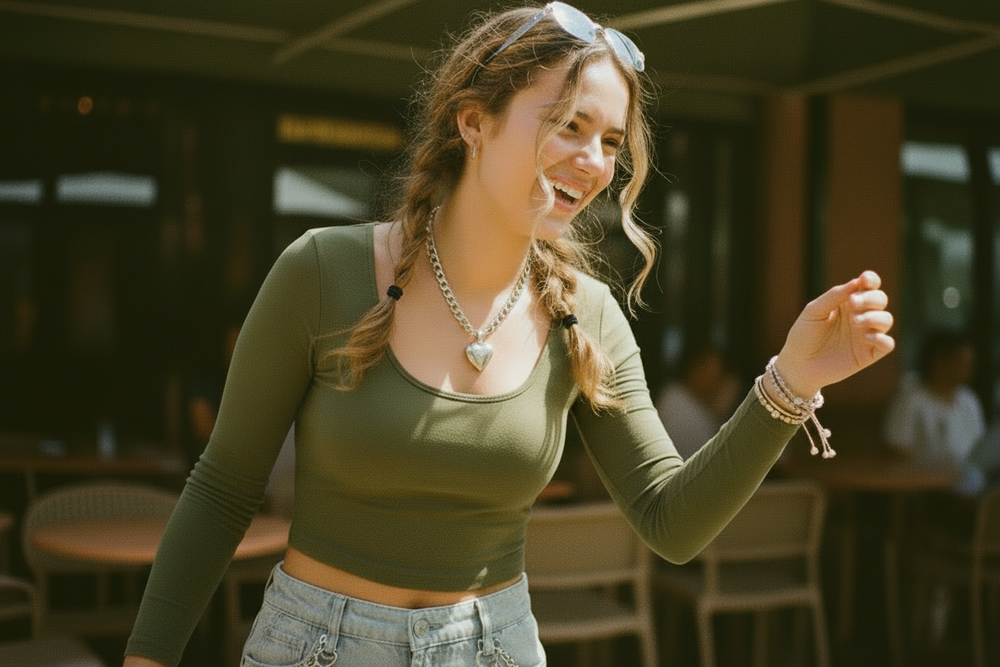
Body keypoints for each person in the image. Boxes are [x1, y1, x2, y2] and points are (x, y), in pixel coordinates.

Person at [123, 3, 895, 666]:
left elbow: (672, 520)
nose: (592, 161)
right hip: (319, 644)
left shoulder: (586, 317)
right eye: (568, 124)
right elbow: (222, 490)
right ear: (474, 121)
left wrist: (792, 380)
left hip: (495, 646)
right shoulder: (323, 272)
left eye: (611, 140)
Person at [883, 328, 987, 496]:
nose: (969, 368)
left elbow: (980, 448)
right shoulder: (911, 397)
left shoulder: (969, 400)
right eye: (963, 362)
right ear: (939, 362)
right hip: (928, 489)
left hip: (972, 480)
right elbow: (897, 450)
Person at [656, 341, 740, 459]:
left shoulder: (699, 405)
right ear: (694, 369)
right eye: (708, 371)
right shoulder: (675, 402)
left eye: (718, 373)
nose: (716, 380)